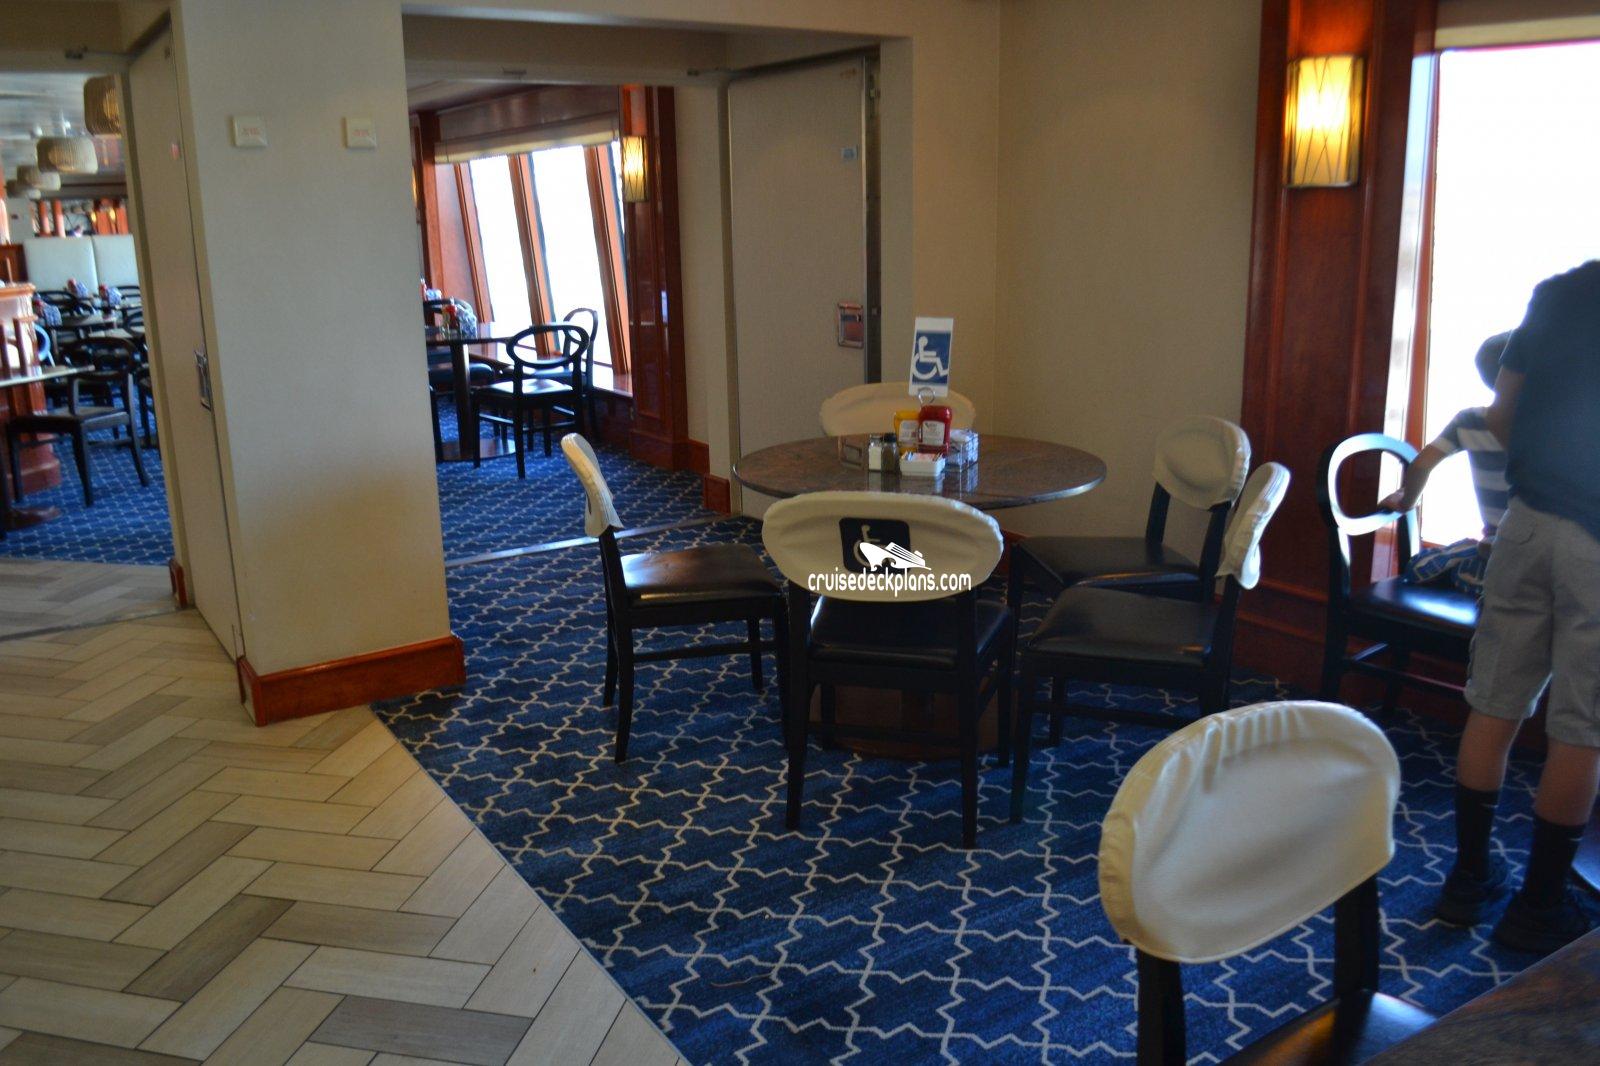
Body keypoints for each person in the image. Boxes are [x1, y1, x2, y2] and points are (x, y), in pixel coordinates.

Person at [1435, 260, 1600, 954]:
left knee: (1494, 702)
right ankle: (1538, 907)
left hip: (1526, 524)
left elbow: (1501, 416)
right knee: (1583, 728)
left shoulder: (1560, 292)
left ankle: (1467, 881)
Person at [1380, 332, 1512, 593]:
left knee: (1427, 564)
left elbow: (1422, 464)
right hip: (1535, 547)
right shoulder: (1549, 426)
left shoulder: (1469, 421)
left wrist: (1406, 500)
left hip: (1498, 542)